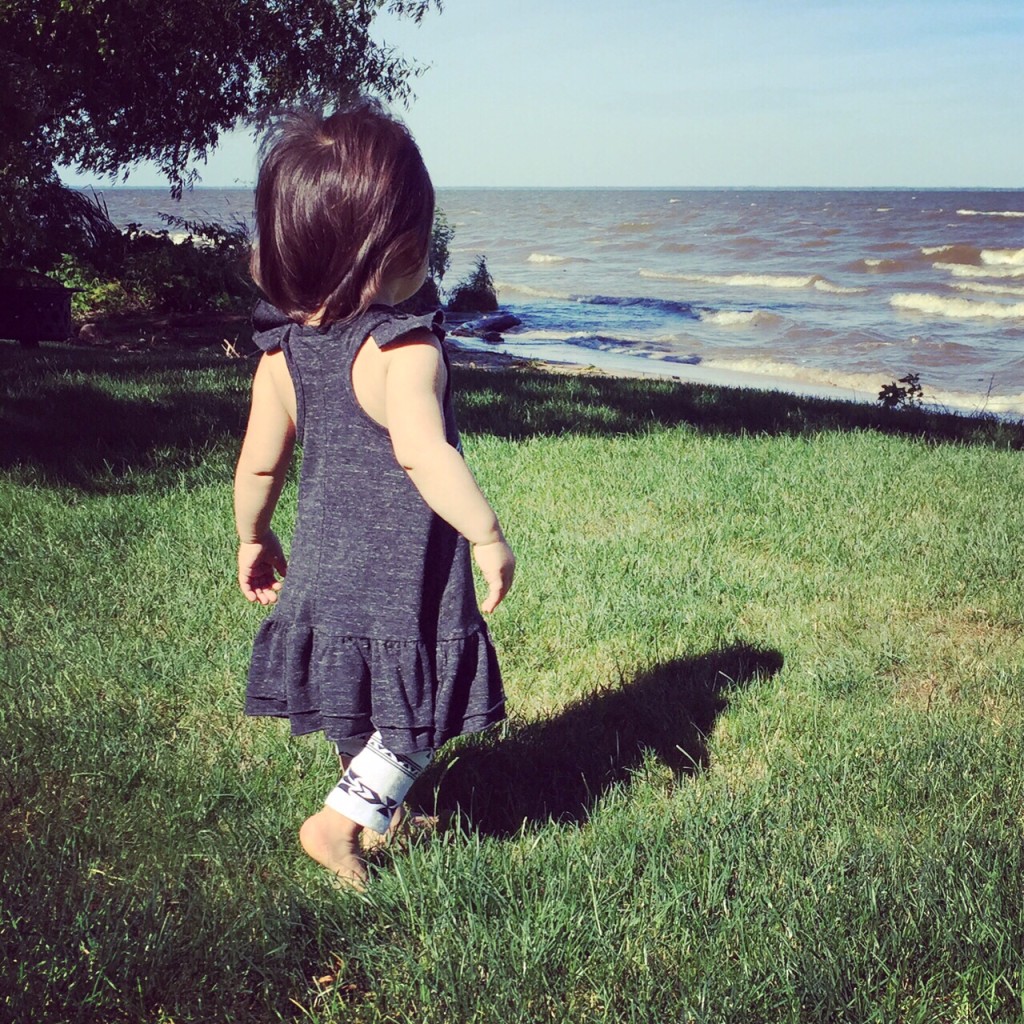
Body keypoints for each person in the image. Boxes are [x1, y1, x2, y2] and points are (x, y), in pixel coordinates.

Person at [233, 99, 515, 889]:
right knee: (418, 710)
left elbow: (259, 464)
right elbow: (425, 453)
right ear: (393, 250)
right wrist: (487, 534)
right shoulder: (404, 349)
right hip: (399, 577)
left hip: (326, 569)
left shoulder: (282, 350)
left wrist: (253, 537)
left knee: (357, 702)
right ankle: (336, 827)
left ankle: (387, 803)